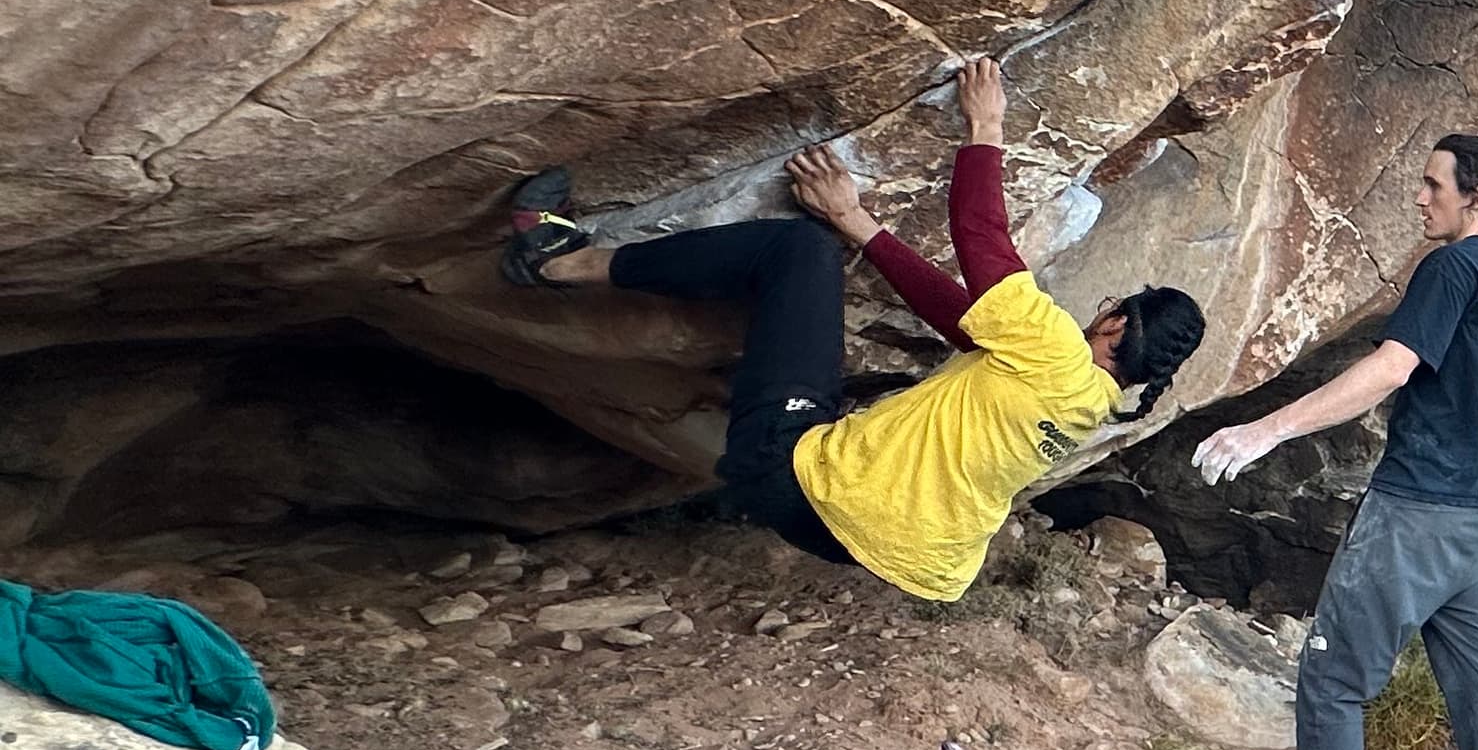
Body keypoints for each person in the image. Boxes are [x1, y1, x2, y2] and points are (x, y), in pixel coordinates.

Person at [499, 57, 1201, 604]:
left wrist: (984, 128)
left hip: (793, 478)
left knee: (794, 252)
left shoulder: (1052, 351)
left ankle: (560, 262)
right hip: (874, 549)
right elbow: (966, 323)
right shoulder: (1089, 405)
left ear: (1114, 320)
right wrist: (858, 224)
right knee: (824, 315)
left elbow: (981, 237)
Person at [1187, 135, 1478, 750]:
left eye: (1433, 185)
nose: (1420, 198)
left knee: (1332, 680)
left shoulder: (1452, 268)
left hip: (1418, 510)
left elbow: (1390, 368)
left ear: (1476, 195)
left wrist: (1265, 431)